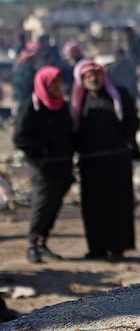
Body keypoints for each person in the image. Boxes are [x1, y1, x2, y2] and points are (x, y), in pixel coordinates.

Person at [72, 59, 140, 261]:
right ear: (82, 79)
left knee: (117, 204)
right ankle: (97, 248)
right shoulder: (78, 102)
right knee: (93, 205)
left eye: (97, 74)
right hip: (90, 164)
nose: (94, 79)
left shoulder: (119, 95)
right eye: (88, 76)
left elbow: (133, 121)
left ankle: (118, 248)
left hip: (117, 161)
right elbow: (73, 131)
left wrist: (124, 143)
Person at [13, 66, 74, 263]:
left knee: (54, 205)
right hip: (41, 167)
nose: (57, 86)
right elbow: (21, 139)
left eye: (58, 82)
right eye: (53, 83)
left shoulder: (61, 105)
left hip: (62, 166)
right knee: (42, 204)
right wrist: (41, 155)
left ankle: (43, 242)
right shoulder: (31, 107)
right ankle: (32, 244)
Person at [11, 41, 40, 115]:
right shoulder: (28, 69)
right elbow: (29, 85)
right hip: (24, 102)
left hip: (17, 100)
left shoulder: (19, 65)